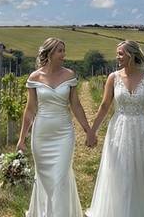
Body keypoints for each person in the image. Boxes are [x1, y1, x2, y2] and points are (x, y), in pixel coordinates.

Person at [84, 40, 144, 217]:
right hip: (119, 131)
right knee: (121, 173)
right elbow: (104, 106)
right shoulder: (113, 78)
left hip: (143, 131)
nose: (117, 57)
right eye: (117, 53)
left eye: (120, 53)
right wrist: (92, 131)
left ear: (131, 55)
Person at [17, 38, 95, 217]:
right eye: (60, 51)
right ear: (49, 53)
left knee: (60, 177)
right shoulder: (34, 77)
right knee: (44, 179)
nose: (63, 55)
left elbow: (75, 105)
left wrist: (88, 130)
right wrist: (22, 139)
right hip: (41, 135)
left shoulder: (69, 75)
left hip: (63, 133)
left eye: (63, 51)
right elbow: (30, 110)